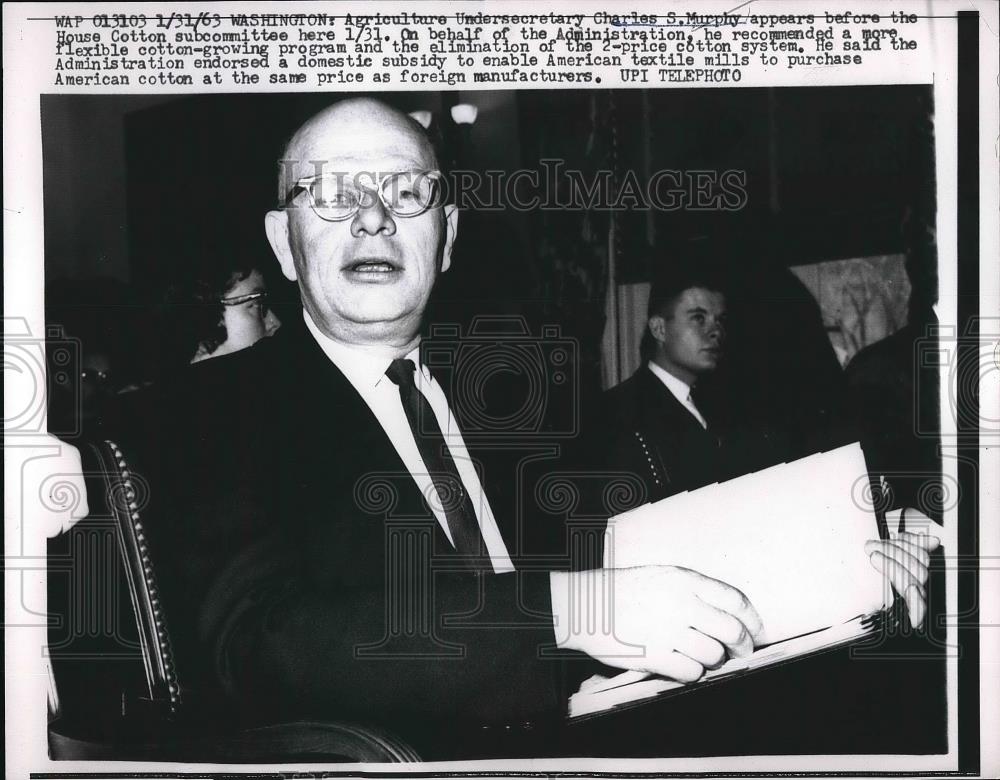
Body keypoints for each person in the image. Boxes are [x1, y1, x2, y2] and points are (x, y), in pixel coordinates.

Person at [95, 98, 934, 751]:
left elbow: (640, 545)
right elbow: (264, 648)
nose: (373, 218)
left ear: (448, 235)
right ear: (284, 242)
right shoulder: (201, 411)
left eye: (406, 191)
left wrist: (846, 544)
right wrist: (570, 615)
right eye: (331, 193)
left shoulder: (513, 393)